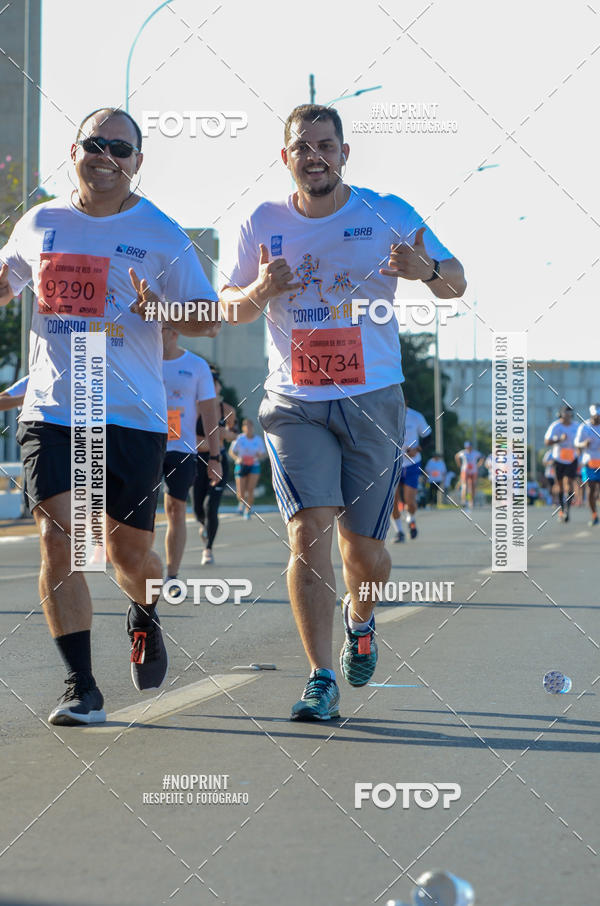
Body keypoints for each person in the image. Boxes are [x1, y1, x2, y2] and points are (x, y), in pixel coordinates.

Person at [220, 103, 466, 720]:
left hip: (372, 399)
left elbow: (457, 282)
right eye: (302, 148)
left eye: (325, 145)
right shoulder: (262, 220)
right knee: (308, 537)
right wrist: (259, 291)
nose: (315, 157)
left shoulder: (387, 212)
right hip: (296, 400)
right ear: (287, 159)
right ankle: (319, 677)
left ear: (344, 153)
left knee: (365, 554)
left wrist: (424, 268)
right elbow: (230, 306)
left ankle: (362, 617)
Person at [0, 107, 219, 725]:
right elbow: (5, 282)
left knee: (128, 557)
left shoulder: (162, 233)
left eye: (120, 148)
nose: (106, 155)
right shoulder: (39, 222)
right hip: (55, 407)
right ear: (74, 151)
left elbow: (206, 316)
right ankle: (80, 686)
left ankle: (144, 613)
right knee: (60, 540)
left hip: (131, 414)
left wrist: (161, 313)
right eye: (95, 143)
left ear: (138, 162)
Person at [161, 325, 221, 581]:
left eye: (160, 329)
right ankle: (140, 570)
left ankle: (172, 574)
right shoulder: (141, 360)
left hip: (181, 448)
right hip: (145, 445)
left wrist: (215, 457)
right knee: (139, 510)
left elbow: (209, 412)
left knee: (176, 508)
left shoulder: (196, 365)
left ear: (173, 333)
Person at [193, 370, 237, 564]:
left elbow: (233, 435)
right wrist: (215, 437)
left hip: (219, 459)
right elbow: (189, 439)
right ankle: (203, 524)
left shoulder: (227, 410)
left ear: (219, 387)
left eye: (215, 383)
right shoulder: (194, 409)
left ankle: (208, 549)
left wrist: (221, 435)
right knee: (197, 507)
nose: (212, 386)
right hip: (198, 461)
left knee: (212, 506)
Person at [391, 405, 431, 540]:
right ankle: (399, 532)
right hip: (393, 464)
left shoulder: (416, 416)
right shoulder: (385, 413)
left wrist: (417, 449)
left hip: (412, 464)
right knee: (392, 502)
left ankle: (410, 519)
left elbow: (428, 436)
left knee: (410, 501)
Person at [544, 405, 579, 522]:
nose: (567, 418)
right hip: (558, 459)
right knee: (559, 485)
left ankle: (568, 509)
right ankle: (561, 509)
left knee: (568, 483)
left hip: (572, 459)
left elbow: (581, 441)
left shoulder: (576, 426)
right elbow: (547, 441)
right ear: (561, 415)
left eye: (569, 415)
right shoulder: (555, 426)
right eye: (565, 415)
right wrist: (560, 440)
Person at [229, 418, 267, 519]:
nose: (249, 429)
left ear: (253, 428)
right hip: (241, 466)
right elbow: (231, 452)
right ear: (243, 428)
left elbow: (263, 454)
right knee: (241, 493)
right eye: (247, 426)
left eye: (250, 426)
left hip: (254, 466)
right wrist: (238, 458)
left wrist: (258, 456)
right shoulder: (239, 438)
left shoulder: (258, 439)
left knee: (250, 489)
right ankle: (241, 502)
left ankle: (247, 510)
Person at [575, 404, 600, 526]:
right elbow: (577, 443)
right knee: (591, 489)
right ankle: (594, 515)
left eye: (599, 416)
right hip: (589, 462)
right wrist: (584, 443)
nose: (597, 419)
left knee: (598, 491)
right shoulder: (584, 426)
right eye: (595, 416)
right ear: (591, 415)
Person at [455, 441, 483, 508]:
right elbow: (456, 456)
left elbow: (482, 457)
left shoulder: (475, 453)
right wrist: (459, 465)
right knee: (464, 485)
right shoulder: (463, 452)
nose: (468, 448)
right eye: (467, 447)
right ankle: (463, 501)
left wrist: (478, 464)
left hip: (473, 471)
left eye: (469, 447)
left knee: (472, 486)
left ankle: (471, 501)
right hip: (465, 470)